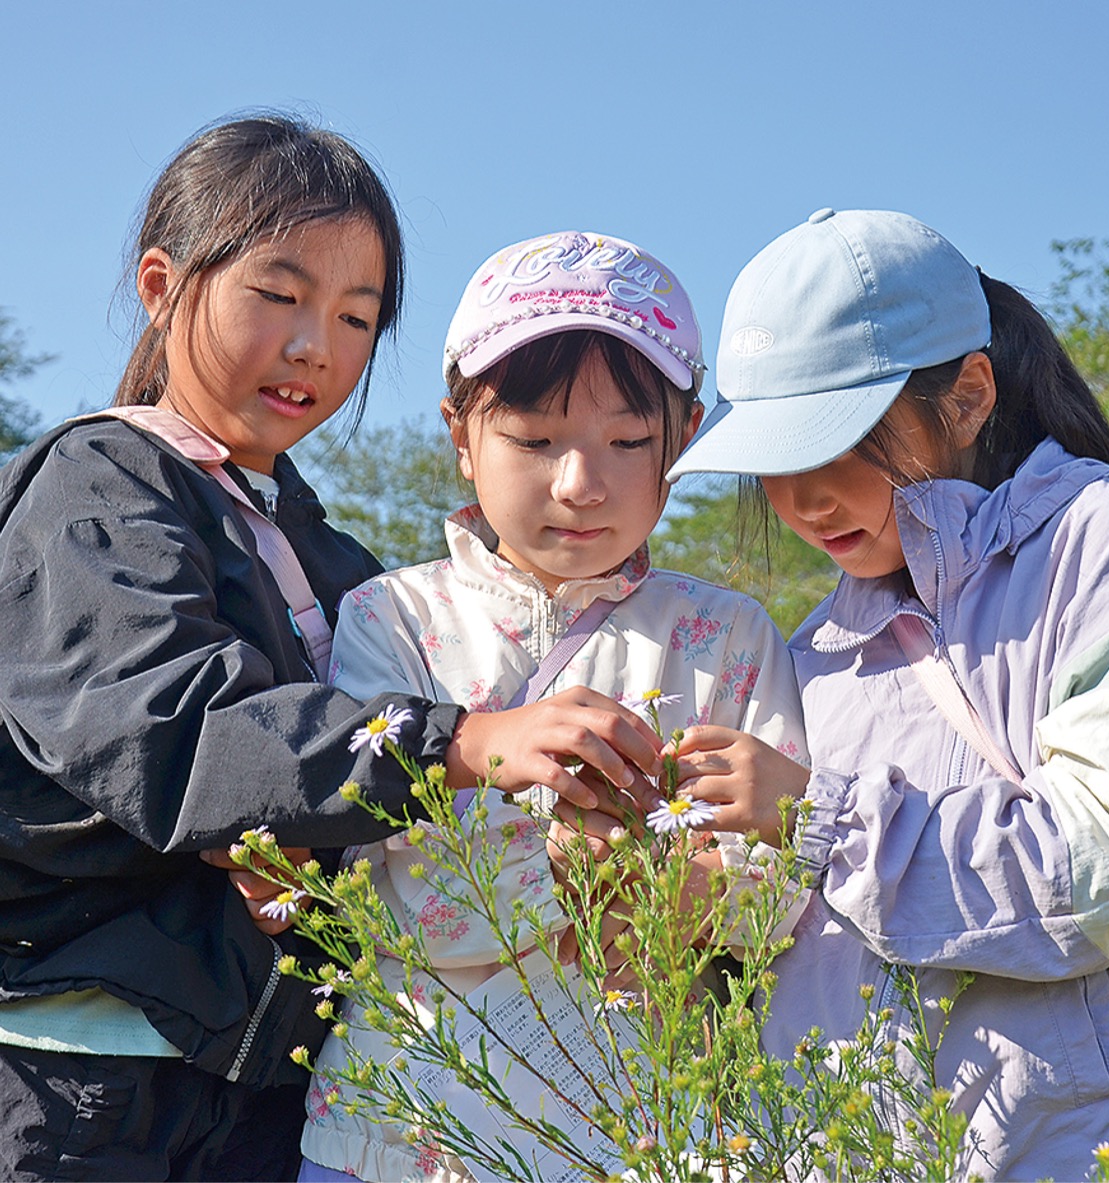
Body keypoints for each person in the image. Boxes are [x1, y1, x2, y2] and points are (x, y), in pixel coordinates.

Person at [0, 119, 662, 1183]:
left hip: (269, 1088)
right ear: (163, 284)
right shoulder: (96, 488)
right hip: (90, 1081)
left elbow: (322, 783)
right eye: (279, 294)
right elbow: (173, 731)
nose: (317, 344)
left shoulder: (335, 557)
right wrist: (462, 743)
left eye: (357, 317)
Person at [665, 206, 1109, 1180]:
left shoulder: (1102, 548)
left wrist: (818, 817)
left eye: (843, 441)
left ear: (967, 396)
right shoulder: (812, 651)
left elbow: (1106, 868)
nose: (806, 498)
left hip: (1070, 1151)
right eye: (778, 463)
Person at [296, 230, 806, 1182]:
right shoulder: (389, 619)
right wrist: (573, 879)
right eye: (533, 440)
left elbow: (783, 890)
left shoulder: (730, 634)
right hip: (399, 1133)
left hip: (644, 1133)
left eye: (627, 441)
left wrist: (673, 893)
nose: (580, 483)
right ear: (460, 436)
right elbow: (374, 875)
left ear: (684, 439)